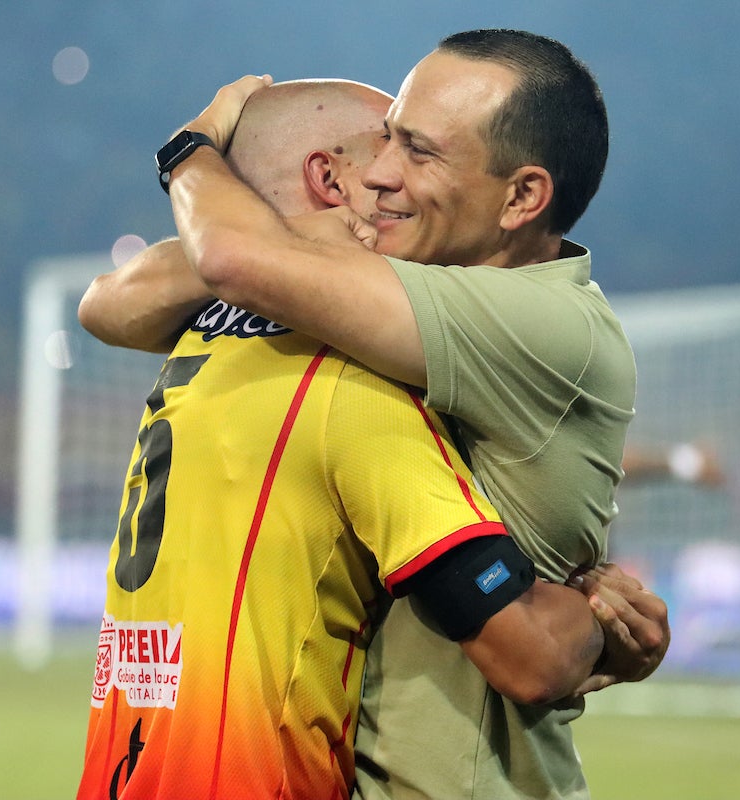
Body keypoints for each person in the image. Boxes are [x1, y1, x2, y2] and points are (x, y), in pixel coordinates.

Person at [78, 78, 628, 800]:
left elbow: (109, 298)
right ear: (331, 177)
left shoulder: (197, 336)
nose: (402, 176)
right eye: (393, 147)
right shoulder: (349, 381)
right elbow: (528, 655)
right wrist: (602, 617)